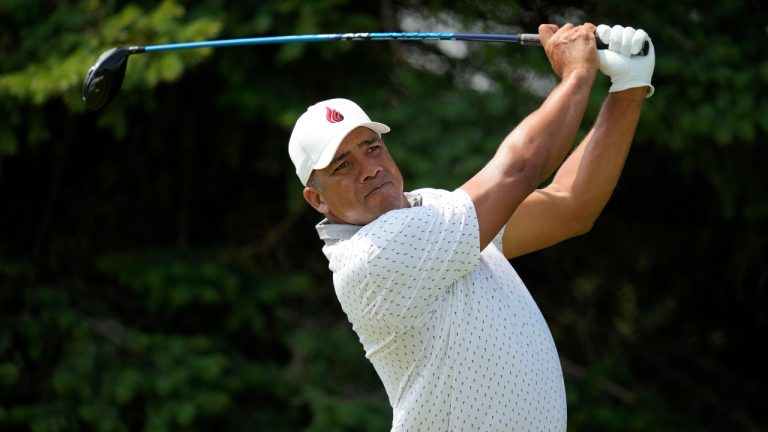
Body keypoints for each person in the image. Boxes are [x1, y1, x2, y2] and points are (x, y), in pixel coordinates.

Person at [288, 22, 655, 432]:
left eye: (372, 147)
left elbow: (570, 207)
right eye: (343, 165)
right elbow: (519, 170)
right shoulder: (373, 256)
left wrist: (629, 88)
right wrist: (578, 72)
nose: (369, 168)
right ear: (317, 200)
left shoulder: (434, 213)